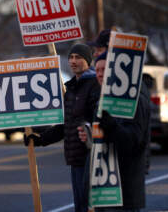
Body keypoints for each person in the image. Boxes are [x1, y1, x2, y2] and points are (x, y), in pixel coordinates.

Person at [24, 43, 101, 212]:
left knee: (91, 207)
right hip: (75, 158)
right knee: (80, 205)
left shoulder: (95, 85)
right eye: (71, 57)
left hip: (91, 158)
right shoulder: (72, 88)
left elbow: (99, 120)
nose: (73, 61)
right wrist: (41, 139)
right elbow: (66, 124)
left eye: (78, 57)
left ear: (88, 61)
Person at [79, 52, 151, 211]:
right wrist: (90, 135)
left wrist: (111, 126)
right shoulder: (101, 100)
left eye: (104, 69)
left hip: (124, 191)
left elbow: (133, 142)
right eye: (97, 70)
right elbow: (102, 140)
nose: (99, 74)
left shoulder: (134, 100)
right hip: (103, 189)